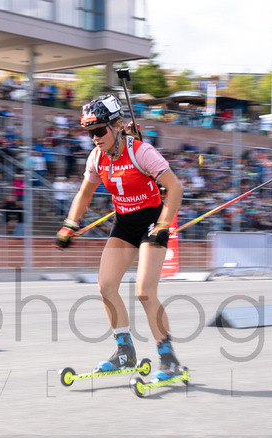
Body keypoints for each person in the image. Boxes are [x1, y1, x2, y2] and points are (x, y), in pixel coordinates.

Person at [55, 94, 185, 380]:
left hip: (153, 222)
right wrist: (70, 224)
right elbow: (84, 194)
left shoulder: (141, 152)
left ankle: (169, 357)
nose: (95, 137)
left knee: (144, 292)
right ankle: (124, 352)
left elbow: (175, 189)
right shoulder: (96, 157)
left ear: (116, 125)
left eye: (100, 130)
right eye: (90, 132)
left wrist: (164, 223)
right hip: (125, 224)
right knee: (106, 286)